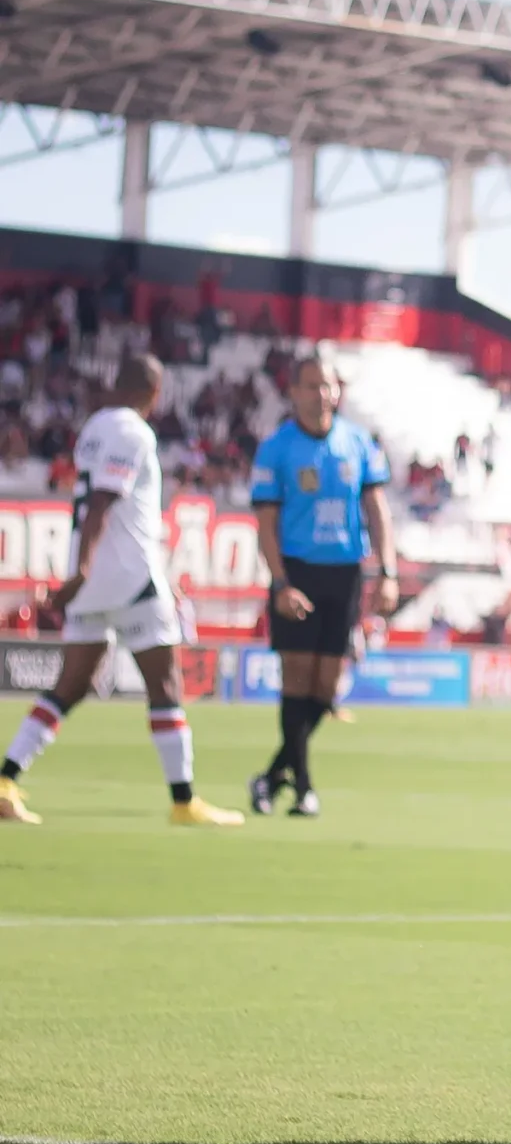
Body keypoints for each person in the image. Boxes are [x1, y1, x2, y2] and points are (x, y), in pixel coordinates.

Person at [0, 354, 237, 828]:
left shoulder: (96, 427)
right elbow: (105, 500)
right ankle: (183, 799)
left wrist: (80, 572)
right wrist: (84, 570)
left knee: (74, 683)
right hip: (128, 577)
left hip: (92, 582)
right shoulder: (134, 432)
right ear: (153, 392)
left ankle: (5, 778)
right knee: (165, 683)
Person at [246, 357, 397, 817]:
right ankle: (304, 787)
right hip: (298, 570)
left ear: (337, 391)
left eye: (326, 385)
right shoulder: (276, 449)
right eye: (309, 385)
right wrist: (280, 583)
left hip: (345, 571)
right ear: (293, 392)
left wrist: (387, 572)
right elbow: (266, 524)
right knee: (296, 677)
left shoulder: (358, 443)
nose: (319, 394)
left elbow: (377, 509)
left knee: (327, 689)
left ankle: (271, 776)